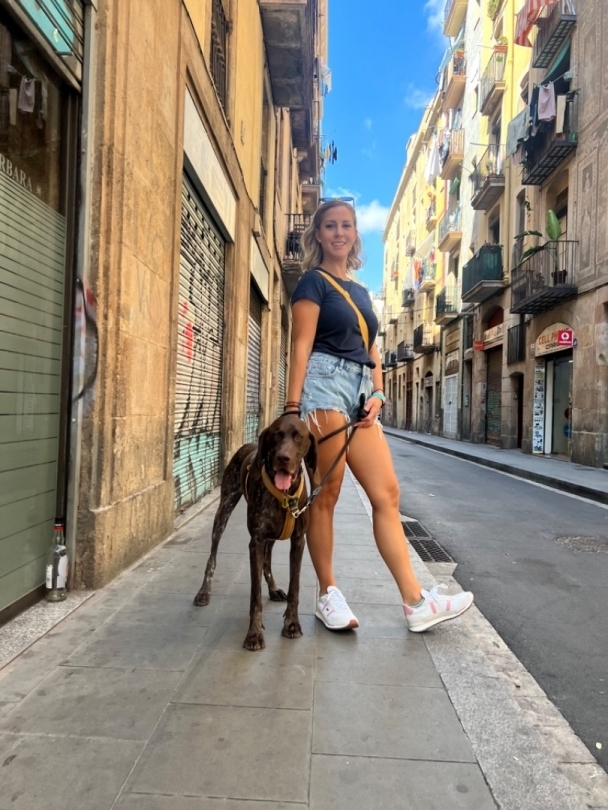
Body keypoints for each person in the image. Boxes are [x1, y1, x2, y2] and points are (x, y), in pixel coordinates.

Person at [284, 200, 474, 633]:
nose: (338, 233)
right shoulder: (313, 283)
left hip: (360, 391)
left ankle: (416, 602)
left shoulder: (360, 291)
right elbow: (301, 346)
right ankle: (327, 594)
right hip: (324, 386)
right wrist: (293, 409)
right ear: (318, 235)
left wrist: (380, 393)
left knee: (387, 494)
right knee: (327, 492)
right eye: (330, 226)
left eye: (346, 226)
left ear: (355, 234)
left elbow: (371, 347)